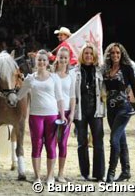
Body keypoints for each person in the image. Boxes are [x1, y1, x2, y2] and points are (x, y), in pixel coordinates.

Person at [17, 50, 66, 185]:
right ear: (35, 61)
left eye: (44, 60)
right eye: (39, 60)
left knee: (51, 146)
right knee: (36, 145)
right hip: (35, 116)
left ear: (48, 62)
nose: (42, 62)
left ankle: (50, 176)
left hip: (51, 115)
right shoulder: (30, 78)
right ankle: (37, 177)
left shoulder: (54, 78)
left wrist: (62, 115)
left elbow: (60, 98)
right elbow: (20, 95)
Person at [102, 43, 135, 183]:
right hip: (110, 109)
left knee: (114, 140)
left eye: (118, 53)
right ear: (109, 54)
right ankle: (126, 171)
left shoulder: (126, 68)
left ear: (121, 54)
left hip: (124, 108)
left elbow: (133, 85)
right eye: (113, 53)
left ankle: (110, 173)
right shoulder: (105, 69)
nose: (115, 55)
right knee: (121, 140)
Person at [73, 43, 105, 182]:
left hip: (96, 110)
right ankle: (85, 173)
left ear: (95, 56)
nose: (88, 56)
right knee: (82, 143)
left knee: (98, 142)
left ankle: (99, 174)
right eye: (86, 53)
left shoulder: (99, 71)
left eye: (91, 54)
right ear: (82, 55)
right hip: (80, 111)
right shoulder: (75, 71)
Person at [52, 47, 76, 183]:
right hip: (52, 112)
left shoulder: (71, 76)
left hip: (66, 113)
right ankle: (51, 171)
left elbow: (72, 96)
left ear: (68, 60)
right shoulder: (52, 75)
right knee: (51, 143)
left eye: (65, 57)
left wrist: (72, 113)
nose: (63, 59)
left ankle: (60, 173)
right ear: (57, 58)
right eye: (61, 57)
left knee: (63, 143)